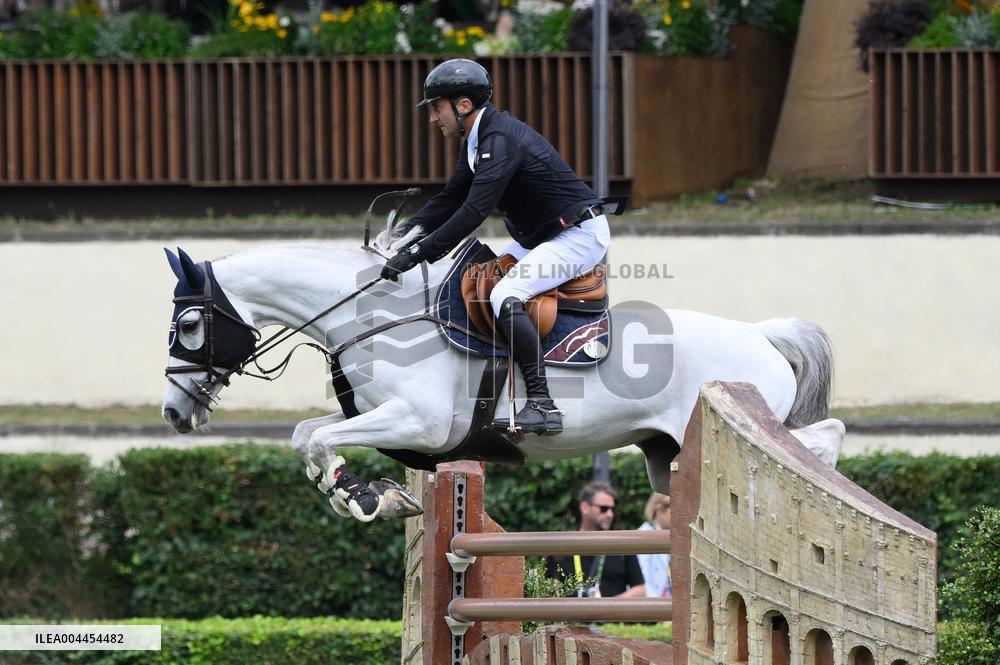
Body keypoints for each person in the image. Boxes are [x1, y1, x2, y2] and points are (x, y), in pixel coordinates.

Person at [379, 58, 611, 436]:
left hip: (578, 235)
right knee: (477, 279)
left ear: (464, 105)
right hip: (544, 236)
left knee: (505, 294)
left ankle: (542, 403)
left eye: (437, 108)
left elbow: (473, 212)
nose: (433, 119)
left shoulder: (498, 140)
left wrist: (419, 253)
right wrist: (402, 237)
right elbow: (451, 198)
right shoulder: (479, 139)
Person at [545, 481, 645, 598]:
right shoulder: (563, 547)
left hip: (611, 616)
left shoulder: (621, 544)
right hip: (573, 616)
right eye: (604, 509)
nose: (610, 514)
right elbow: (547, 590)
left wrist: (609, 606)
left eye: (612, 509)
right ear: (585, 507)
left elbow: (640, 589)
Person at [637, 493, 672, 598]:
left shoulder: (669, 535)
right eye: (674, 510)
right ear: (659, 508)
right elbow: (643, 580)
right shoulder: (643, 536)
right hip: (653, 607)